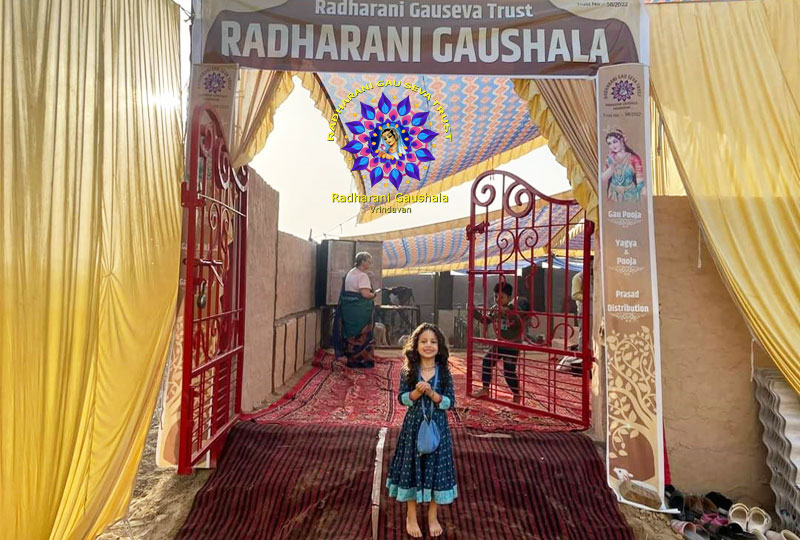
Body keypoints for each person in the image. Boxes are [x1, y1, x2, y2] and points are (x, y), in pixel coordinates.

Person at [386, 323, 457, 538]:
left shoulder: (444, 372)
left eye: (433, 342)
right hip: (413, 427)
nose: (428, 345)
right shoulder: (408, 371)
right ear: (415, 345)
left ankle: (432, 516)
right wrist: (417, 393)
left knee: (436, 469)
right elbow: (402, 398)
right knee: (412, 467)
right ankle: (411, 516)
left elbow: (450, 402)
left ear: (439, 346)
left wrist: (433, 394)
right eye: (423, 341)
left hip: (438, 428)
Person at [472, 282, 523, 404]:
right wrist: (474, 312)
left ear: (509, 298)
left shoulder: (514, 309)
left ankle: (517, 394)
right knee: (487, 361)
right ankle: (485, 389)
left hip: (512, 346)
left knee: (509, 372)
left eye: (502, 297)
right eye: (496, 296)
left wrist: (508, 313)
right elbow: (486, 320)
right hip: (499, 344)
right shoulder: (494, 309)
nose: (498, 299)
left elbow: (519, 324)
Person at [332, 251, 380, 368]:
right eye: (369, 261)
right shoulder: (362, 276)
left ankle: (349, 356)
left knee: (350, 333)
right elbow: (365, 294)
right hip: (359, 311)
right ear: (362, 262)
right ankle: (360, 360)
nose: (370, 264)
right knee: (361, 333)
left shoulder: (350, 273)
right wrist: (374, 294)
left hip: (348, 309)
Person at [601, 129, 645, 202]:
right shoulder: (610, 158)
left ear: (622, 140)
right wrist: (611, 168)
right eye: (609, 143)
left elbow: (640, 181)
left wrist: (642, 194)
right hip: (613, 195)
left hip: (630, 195)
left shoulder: (634, 158)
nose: (612, 146)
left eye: (615, 142)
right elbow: (603, 179)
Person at [571, 270, 584, 351]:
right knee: (584, 333)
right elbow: (575, 295)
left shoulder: (595, 276)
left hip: (595, 309)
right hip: (583, 310)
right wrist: (591, 297)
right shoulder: (578, 277)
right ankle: (581, 353)